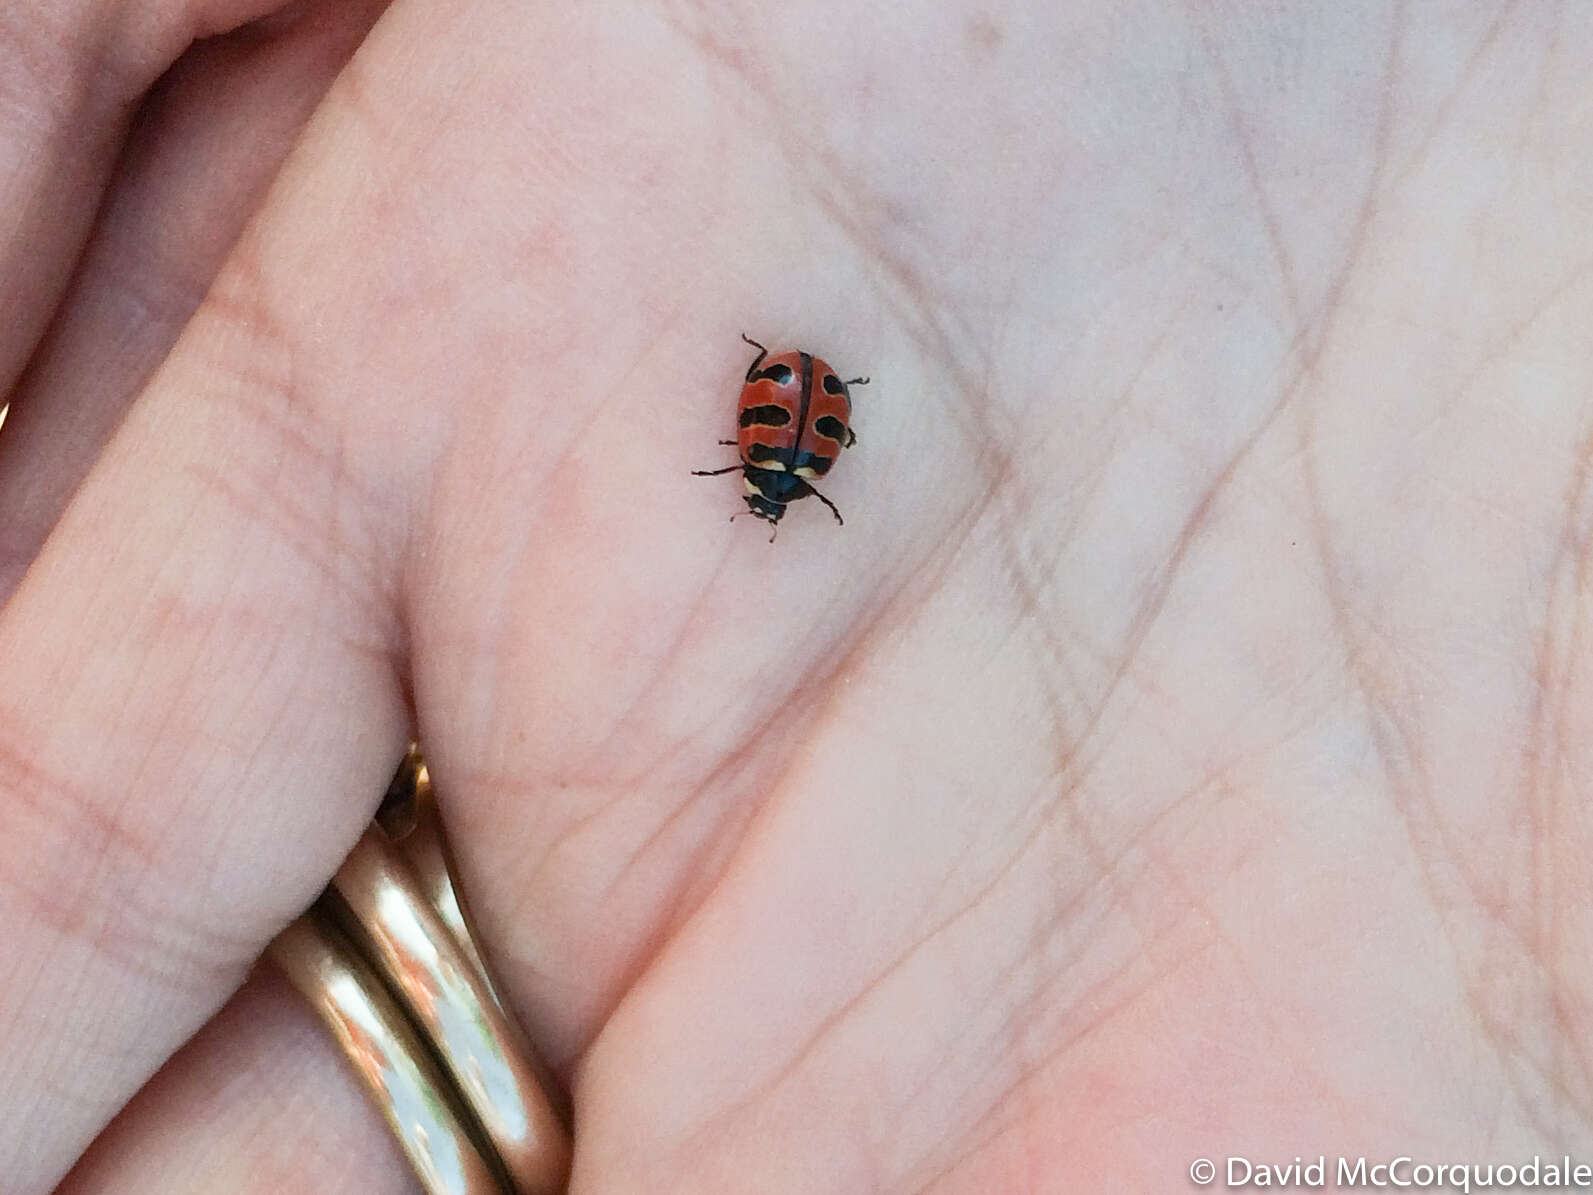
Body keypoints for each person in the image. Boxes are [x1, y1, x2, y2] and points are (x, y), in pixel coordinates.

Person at [0, 3, 1581, 1191]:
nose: (772, 461)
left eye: (776, 456)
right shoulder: (790, 428)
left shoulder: (788, 425)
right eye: (774, 456)